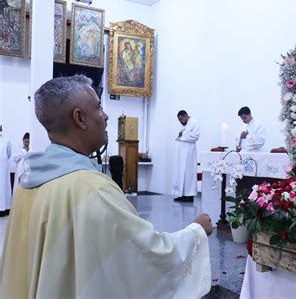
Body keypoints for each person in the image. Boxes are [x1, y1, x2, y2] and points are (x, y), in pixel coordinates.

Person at [0, 75, 213, 298]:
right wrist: (196, 232)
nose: (106, 116)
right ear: (80, 118)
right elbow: (145, 257)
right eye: (99, 107)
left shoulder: (28, 183)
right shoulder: (91, 190)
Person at [172, 110, 200, 202]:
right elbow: (180, 137)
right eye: (179, 120)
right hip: (182, 153)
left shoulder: (194, 123)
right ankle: (181, 194)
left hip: (189, 153)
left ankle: (189, 195)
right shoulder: (183, 125)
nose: (180, 121)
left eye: (181, 119)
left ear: (185, 116)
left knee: (189, 174)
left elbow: (196, 136)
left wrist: (183, 134)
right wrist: (181, 135)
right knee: (181, 173)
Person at [12, 132, 29, 196]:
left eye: (28, 142)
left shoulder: (31, 148)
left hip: (27, 171)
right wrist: (23, 151)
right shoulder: (19, 149)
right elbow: (15, 159)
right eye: (25, 142)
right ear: (23, 141)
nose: (27, 143)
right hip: (20, 170)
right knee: (18, 186)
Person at [0, 125, 12, 217]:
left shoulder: (6, 140)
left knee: (3, 186)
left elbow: (9, 153)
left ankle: (4, 208)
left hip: (3, 168)